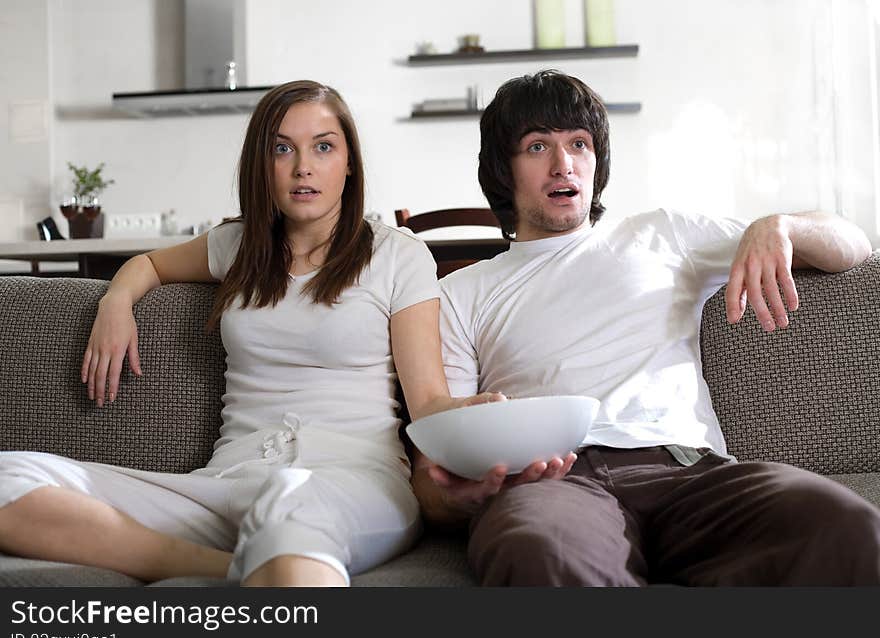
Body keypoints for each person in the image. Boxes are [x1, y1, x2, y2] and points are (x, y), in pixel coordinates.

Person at [0, 80, 490, 587]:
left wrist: (478, 420)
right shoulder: (237, 245)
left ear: (349, 162)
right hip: (231, 482)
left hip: (354, 483)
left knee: (290, 516)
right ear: (263, 164)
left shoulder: (397, 255)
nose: (303, 166)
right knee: (8, 477)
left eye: (323, 146)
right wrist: (116, 300)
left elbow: (429, 400)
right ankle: (208, 565)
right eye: (283, 148)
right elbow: (148, 264)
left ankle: (256, 561)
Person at [412, 69, 880, 586]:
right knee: (540, 554)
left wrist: (780, 225)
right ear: (504, 168)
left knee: (848, 527)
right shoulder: (458, 293)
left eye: (579, 144)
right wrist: (464, 495)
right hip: (556, 484)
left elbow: (852, 245)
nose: (563, 163)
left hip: (692, 474)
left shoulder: (665, 234)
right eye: (537, 146)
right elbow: (431, 476)